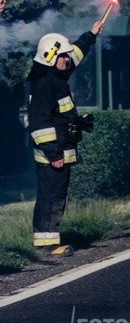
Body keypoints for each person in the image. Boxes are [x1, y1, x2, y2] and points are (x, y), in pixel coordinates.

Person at [26, 21, 103, 257]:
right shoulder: (45, 85)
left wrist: (91, 34)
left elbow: (76, 55)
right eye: (62, 57)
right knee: (51, 198)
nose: (67, 60)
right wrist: (54, 154)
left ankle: (49, 242)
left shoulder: (56, 76)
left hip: (60, 153)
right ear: (50, 57)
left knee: (57, 197)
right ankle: (47, 245)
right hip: (53, 157)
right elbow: (40, 125)